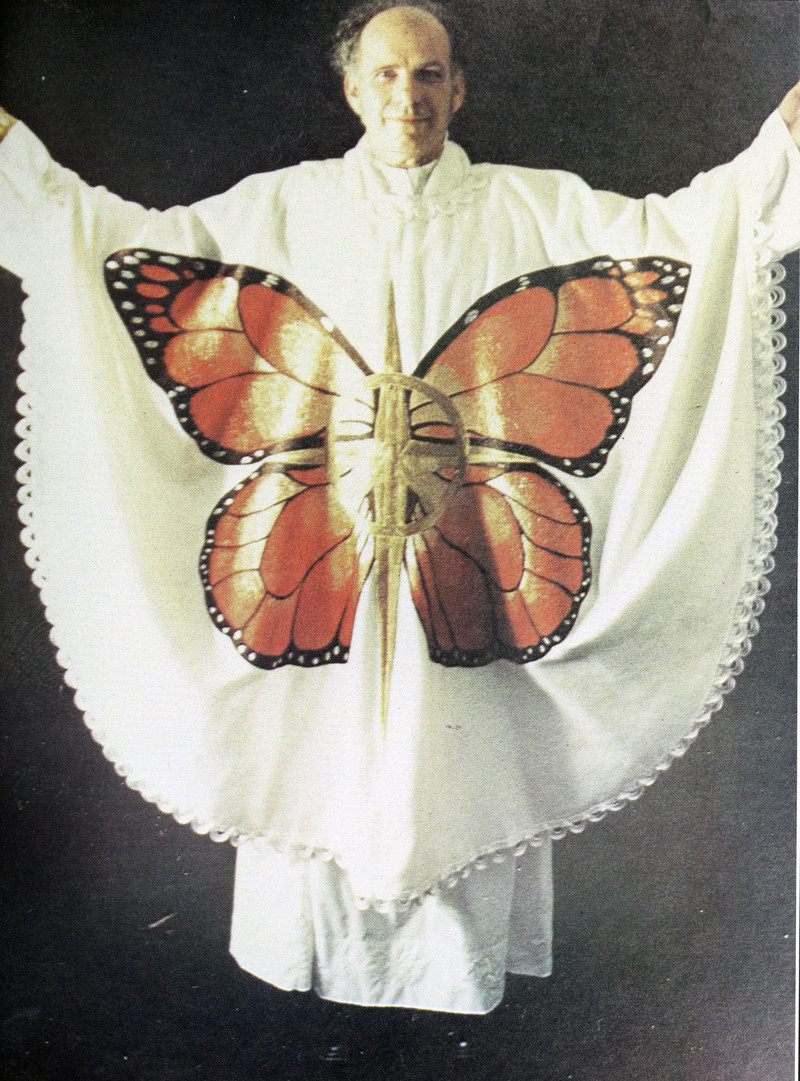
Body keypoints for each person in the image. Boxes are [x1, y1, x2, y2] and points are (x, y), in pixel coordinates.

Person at [0, 0, 797, 1020]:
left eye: (427, 75)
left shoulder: (535, 209)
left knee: (457, 762)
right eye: (385, 74)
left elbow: (695, 231)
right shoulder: (278, 212)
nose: (406, 97)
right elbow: (115, 247)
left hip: (469, 564)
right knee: (317, 771)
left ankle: (451, 996)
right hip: (317, 561)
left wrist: (783, 138)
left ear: (458, 89)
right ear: (351, 89)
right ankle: (311, 995)